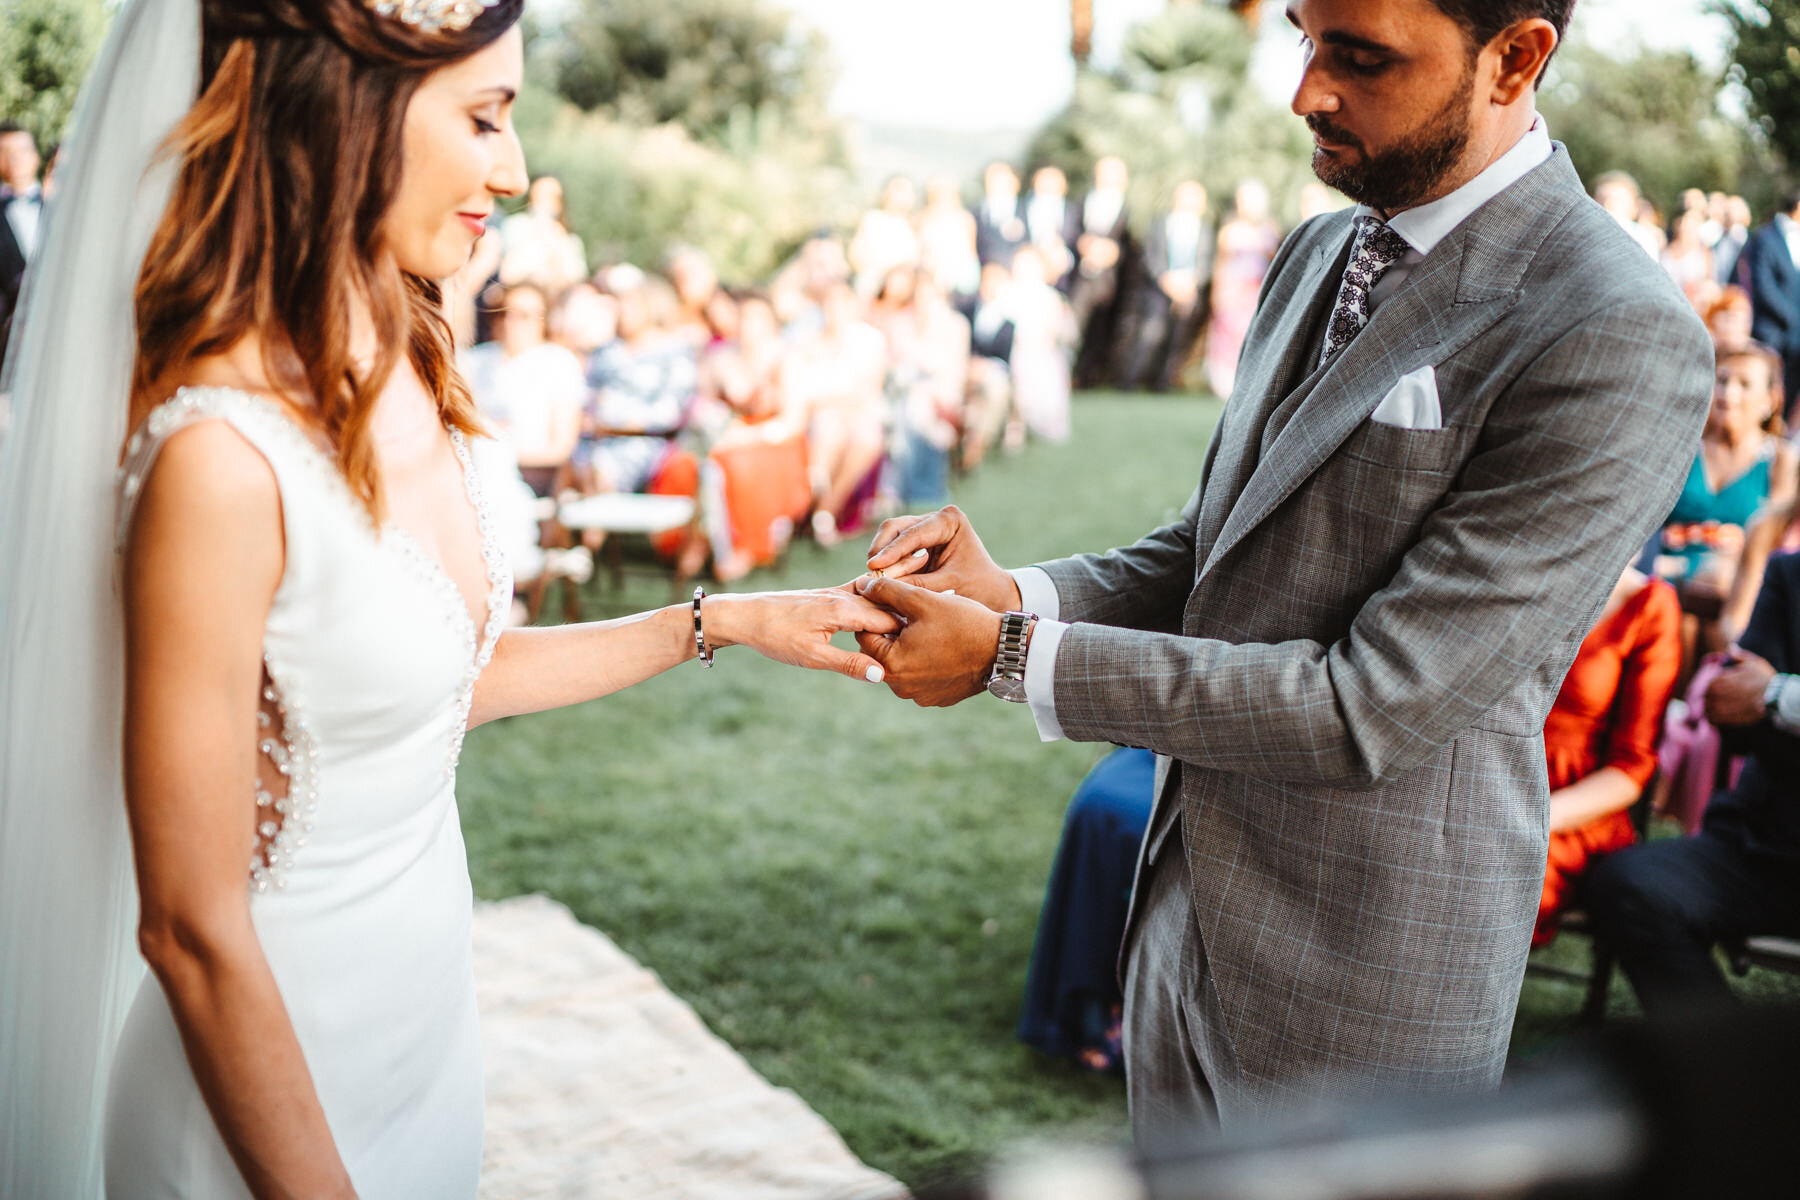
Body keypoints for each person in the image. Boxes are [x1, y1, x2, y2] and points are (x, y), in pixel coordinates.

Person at [0, 3, 899, 1195]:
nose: (518, 172)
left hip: (424, 1049)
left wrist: (725, 622)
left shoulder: (415, 362)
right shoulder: (218, 463)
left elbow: (440, 680)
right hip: (259, 1119)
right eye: (485, 118)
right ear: (343, 111)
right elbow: (190, 930)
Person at [854, 0, 1713, 1133]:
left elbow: (1372, 705)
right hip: (1183, 906)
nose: (1306, 90)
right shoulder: (1317, 251)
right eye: (1304, 37)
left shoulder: (1611, 326)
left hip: (1370, 969)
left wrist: (1013, 657)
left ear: (1515, 57)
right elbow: (1218, 543)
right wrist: (1017, 593)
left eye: (1360, 58)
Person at [1582, 549, 1800, 1017]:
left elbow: (1761, 704)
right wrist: (1766, 711)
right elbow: (1733, 714)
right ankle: (1726, 1061)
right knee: (1629, 884)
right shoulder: (1791, 573)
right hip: (1766, 844)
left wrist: (1780, 695)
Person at [1534, 565, 1681, 944]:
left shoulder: (1647, 604)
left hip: (1570, 812)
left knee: (1502, 870)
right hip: (1482, 776)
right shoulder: (1516, 573)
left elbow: (1631, 769)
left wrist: (1531, 820)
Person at [459, 282, 585, 497]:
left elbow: (561, 448)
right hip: (472, 472)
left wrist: (501, 455)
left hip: (532, 477)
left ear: (544, 319)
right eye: (503, 313)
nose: (511, 322)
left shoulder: (559, 363)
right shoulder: (473, 361)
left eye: (524, 315)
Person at [1124, 179, 1215, 392]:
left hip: (1189, 291)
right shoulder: (1160, 223)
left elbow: (1207, 262)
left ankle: (1163, 382)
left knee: (1178, 337)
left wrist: (1191, 284)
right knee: (1150, 334)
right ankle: (1130, 380)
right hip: (1158, 289)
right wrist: (1165, 280)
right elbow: (1149, 257)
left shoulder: (1205, 229)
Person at [1202, 179, 1279, 399]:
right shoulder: (1229, 230)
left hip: (1256, 288)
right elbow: (1221, 264)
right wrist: (1217, 292)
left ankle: (1250, 382)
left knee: (1251, 333)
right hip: (1233, 288)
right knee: (1228, 333)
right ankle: (1223, 382)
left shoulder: (1269, 230)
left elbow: (1274, 261)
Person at [1070, 155, 1135, 389]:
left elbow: (1132, 247)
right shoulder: (1081, 202)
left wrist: (1114, 252)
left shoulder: (1130, 209)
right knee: (1074, 324)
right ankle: (1071, 372)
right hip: (1081, 276)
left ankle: (1092, 376)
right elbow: (1072, 232)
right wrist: (1083, 245)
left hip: (1111, 280)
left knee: (1101, 330)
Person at [1735, 192, 1800, 419]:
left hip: (1795, 338)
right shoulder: (1765, 237)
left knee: (1789, 395)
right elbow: (1764, 286)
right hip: (1772, 330)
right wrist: (1792, 317)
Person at [499, 174, 587, 295]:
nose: (546, 202)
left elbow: (574, 282)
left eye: (552, 197)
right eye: (540, 195)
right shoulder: (515, 226)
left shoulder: (569, 241)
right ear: (530, 199)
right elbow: (508, 274)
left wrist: (556, 244)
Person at [0, 120, 42, 368]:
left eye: (22, 151)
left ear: (35, 156)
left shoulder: (60, 212)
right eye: (6, 153)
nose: (15, 160)